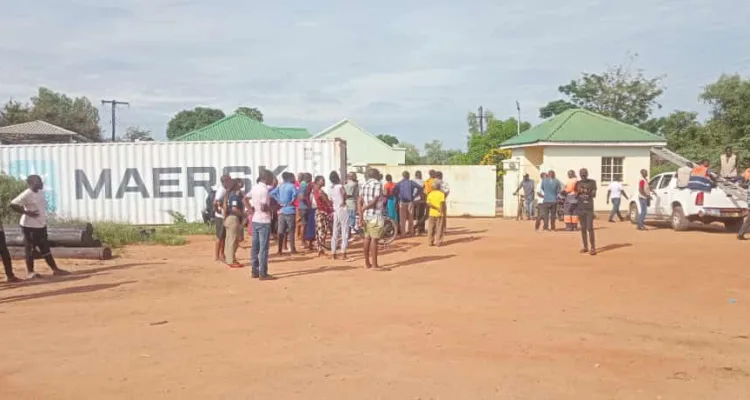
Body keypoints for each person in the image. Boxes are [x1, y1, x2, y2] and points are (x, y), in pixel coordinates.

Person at [10, 175, 70, 279]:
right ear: (31, 184)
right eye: (38, 183)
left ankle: (55, 269)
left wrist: (43, 222)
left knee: (45, 248)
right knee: (30, 249)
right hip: (29, 227)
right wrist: (26, 212)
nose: (41, 184)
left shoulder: (40, 192)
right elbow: (13, 204)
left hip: (40, 225)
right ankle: (30, 272)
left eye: (41, 182)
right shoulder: (27, 194)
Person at [249, 170, 275, 280]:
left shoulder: (254, 188)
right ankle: (263, 273)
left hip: (255, 220)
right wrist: (272, 210)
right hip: (264, 221)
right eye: (270, 177)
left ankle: (254, 271)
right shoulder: (265, 190)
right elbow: (264, 207)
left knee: (255, 247)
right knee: (263, 248)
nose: (272, 180)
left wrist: (252, 210)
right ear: (266, 178)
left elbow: (245, 198)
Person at [359, 168, 384, 269]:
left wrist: (361, 213)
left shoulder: (364, 184)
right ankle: (374, 265)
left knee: (367, 238)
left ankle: (367, 263)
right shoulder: (378, 184)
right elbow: (375, 200)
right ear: (376, 175)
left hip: (366, 215)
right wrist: (365, 207)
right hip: (375, 214)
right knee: (374, 239)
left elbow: (359, 200)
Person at [270, 172, 298, 255]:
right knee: (291, 231)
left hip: (282, 210)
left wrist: (279, 200)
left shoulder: (280, 186)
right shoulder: (292, 186)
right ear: (290, 178)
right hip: (290, 210)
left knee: (281, 231)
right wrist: (291, 201)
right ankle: (292, 249)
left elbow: (271, 193)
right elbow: (295, 195)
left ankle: (279, 250)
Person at [574, 168, 597, 255]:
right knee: (583, 228)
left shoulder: (592, 182)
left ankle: (593, 248)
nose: (583, 175)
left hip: (589, 209)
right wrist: (579, 192)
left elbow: (594, 194)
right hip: (580, 208)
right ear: (580, 175)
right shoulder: (578, 183)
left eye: (584, 174)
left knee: (590, 228)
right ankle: (585, 247)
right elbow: (575, 196)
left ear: (587, 174)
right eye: (582, 174)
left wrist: (587, 191)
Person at [222, 179, 244, 268]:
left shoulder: (229, 195)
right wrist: (243, 214)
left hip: (229, 218)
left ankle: (230, 259)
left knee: (229, 240)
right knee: (233, 240)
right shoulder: (234, 196)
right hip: (233, 219)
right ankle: (231, 260)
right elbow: (235, 209)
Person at [329, 171, 349, 260]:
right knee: (345, 230)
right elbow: (344, 194)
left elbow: (331, 199)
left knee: (335, 231)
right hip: (342, 208)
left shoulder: (331, 188)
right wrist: (344, 201)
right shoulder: (340, 187)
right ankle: (343, 252)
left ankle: (333, 253)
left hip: (335, 209)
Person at [311, 175, 333, 257]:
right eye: (322, 180)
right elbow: (327, 202)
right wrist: (331, 205)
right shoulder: (319, 192)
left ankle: (320, 248)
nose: (324, 181)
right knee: (322, 231)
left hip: (319, 212)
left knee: (319, 231)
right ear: (317, 181)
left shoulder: (315, 190)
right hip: (322, 212)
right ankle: (320, 249)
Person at [213, 174, 232, 262]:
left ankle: (222, 254)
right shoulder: (221, 191)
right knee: (219, 237)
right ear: (224, 182)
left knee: (223, 237)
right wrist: (218, 211)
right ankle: (217, 256)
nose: (230, 181)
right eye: (229, 180)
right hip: (220, 217)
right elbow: (215, 202)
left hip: (223, 216)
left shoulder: (226, 190)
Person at [396, 171, 418, 237]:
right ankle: (411, 232)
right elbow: (420, 188)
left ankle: (403, 234)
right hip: (410, 201)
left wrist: (398, 196)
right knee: (411, 218)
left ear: (403, 176)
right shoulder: (411, 182)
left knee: (402, 219)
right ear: (408, 176)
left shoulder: (399, 183)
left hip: (402, 202)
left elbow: (393, 191)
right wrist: (415, 195)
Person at [426, 180, 446, 246]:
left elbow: (428, 203)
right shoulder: (441, 194)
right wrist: (441, 210)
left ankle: (430, 242)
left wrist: (434, 208)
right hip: (439, 213)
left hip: (431, 213)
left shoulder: (430, 194)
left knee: (431, 228)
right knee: (439, 228)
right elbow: (442, 203)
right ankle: (438, 242)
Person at [303, 173, 317, 250]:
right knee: (312, 226)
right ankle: (310, 243)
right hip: (313, 207)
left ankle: (310, 243)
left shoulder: (308, 186)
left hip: (311, 207)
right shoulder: (309, 186)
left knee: (310, 226)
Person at [344, 172, 359, 237]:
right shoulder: (354, 184)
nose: (356, 177)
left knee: (347, 219)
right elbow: (355, 195)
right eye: (355, 175)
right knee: (351, 219)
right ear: (352, 177)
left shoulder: (345, 185)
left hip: (346, 203)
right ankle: (349, 235)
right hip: (352, 203)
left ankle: (347, 235)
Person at [412, 170, 426, 235]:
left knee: (414, 216)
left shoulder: (412, 182)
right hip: (420, 200)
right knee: (421, 215)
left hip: (413, 200)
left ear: (415, 175)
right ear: (420, 175)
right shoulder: (423, 182)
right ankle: (420, 230)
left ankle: (413, 230)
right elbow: (425, 192)